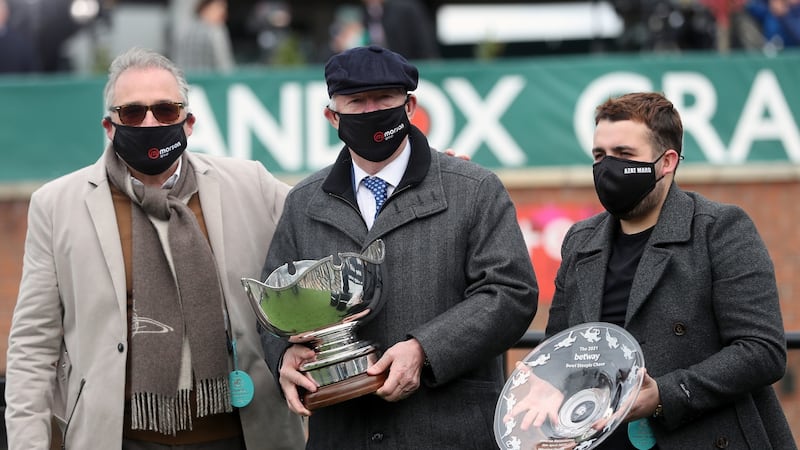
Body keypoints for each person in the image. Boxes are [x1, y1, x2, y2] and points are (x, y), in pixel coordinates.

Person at [4, 47, 305, 449]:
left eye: (165, 111)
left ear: (189, 122)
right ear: (109, 126)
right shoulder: (56, 205)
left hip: (244, 434)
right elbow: (33, 346)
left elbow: (315, 239)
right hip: (120, 437)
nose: (149, 121)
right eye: (132, 113)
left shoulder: (251, 184)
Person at [259, 44, 538, 448]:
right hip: (344, 434)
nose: (372, 110)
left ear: (410, 107)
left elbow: (512, 293)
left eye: (385, 98)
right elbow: (274, 306)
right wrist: (283, 356)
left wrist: (426, 349)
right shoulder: (303, 202)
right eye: (357, 101)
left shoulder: (474, 189)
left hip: (449, 432)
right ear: (332, 116)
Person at [539, 92, 795, 448]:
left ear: (667, 161)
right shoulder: (581, 240)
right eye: (600, 155)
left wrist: (663, 395)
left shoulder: (720, 229)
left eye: (624, 155)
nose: (608, 167)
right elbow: (561, 351)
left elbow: (762, 350)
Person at [172, 0, 235, 73]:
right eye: (219, 7)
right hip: (211, 81)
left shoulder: (184, 29)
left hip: (186, 79)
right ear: (205, 8)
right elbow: (224, 65)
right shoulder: (215, 31)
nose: (223, 13)